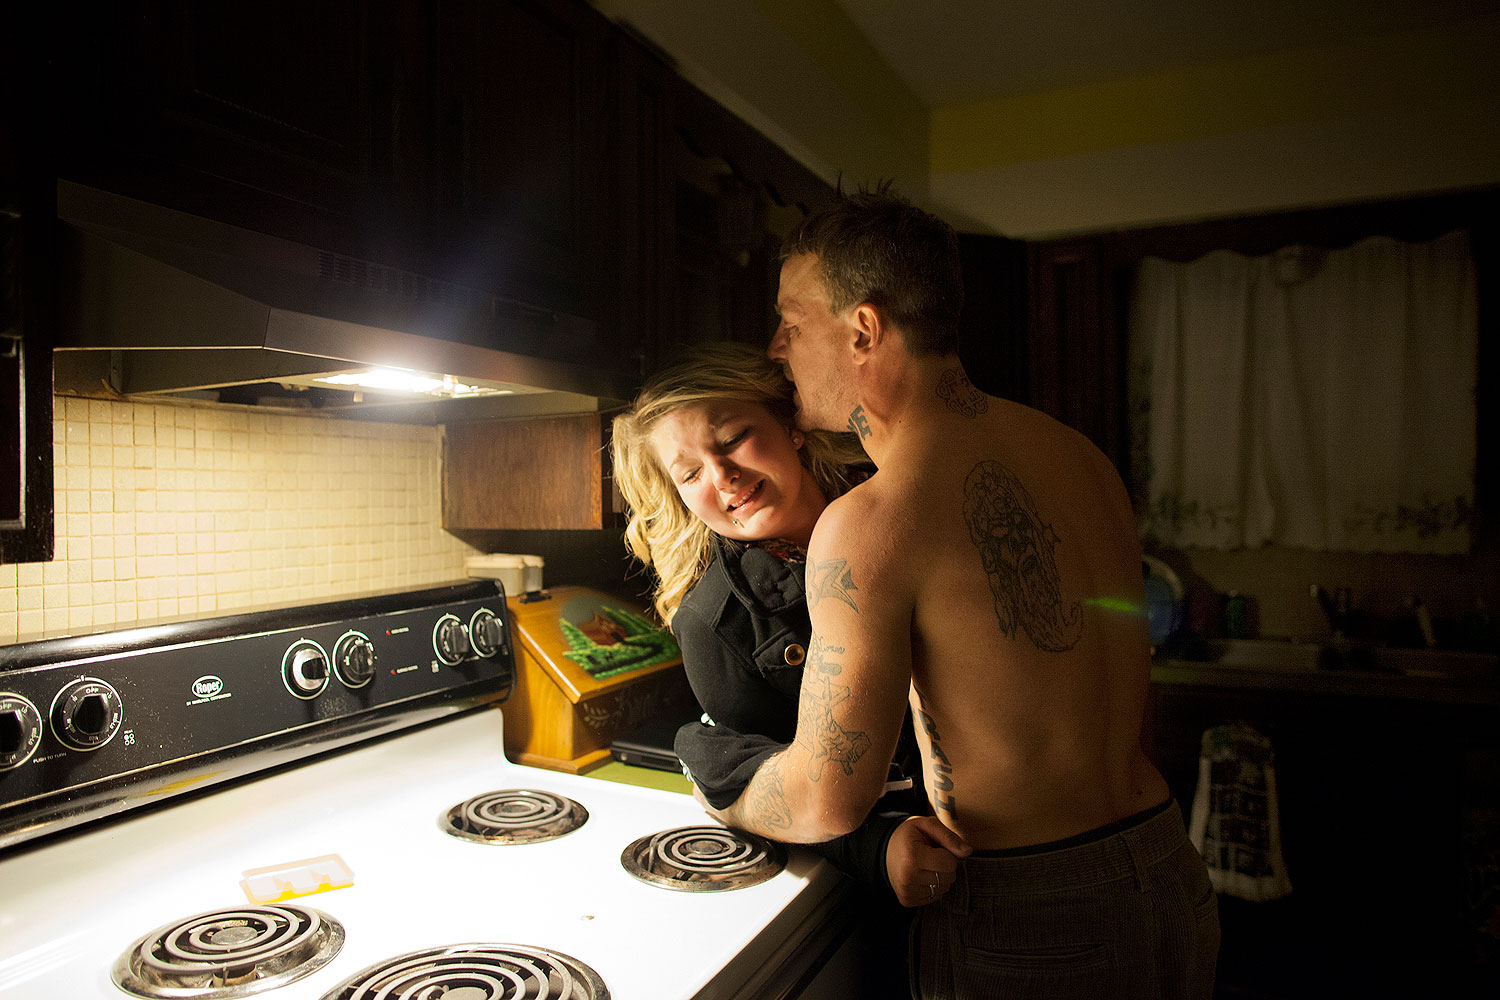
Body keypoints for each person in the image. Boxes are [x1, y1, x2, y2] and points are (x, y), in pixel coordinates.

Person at [700, 189, 1221, 999]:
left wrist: (719, 782)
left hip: (1034, 917)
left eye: (791, 323)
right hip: (1167, 867)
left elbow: (827, 798)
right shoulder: (1078, 456)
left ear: (863, 329)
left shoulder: (875, 520)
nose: (776, 348)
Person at [610, 342, 970, 995]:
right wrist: (878, 848)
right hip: (909, 900)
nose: (723, 476)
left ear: (790, 425)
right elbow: (776, 785)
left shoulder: (902, 503)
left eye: (734, 439)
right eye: (689, 473)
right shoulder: (714, 623)